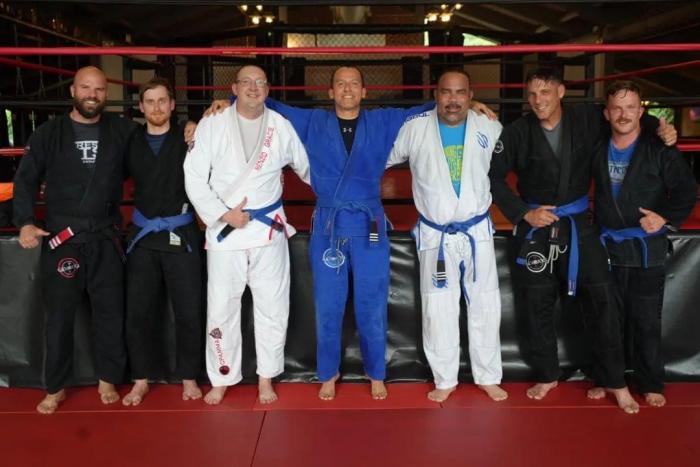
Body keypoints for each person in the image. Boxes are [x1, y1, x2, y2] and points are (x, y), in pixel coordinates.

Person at [207, 66, 493, 400]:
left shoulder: (382, 121)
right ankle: (328, 373)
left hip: (370, 226)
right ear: (330, 93)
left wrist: (468, 104)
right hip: (329, 226)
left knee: (372, 304)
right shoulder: (313, 122)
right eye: (340, 84)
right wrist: (228, 100)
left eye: (354, 84)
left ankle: (376, 373)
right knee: (328, 305)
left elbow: (423, 108)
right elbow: (271, 104)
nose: (347, 89)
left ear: (364, 91)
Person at [488, 67, 676, 414]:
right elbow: (495, 178)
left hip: (578, 224)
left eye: (546, 92)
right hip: (536, 228)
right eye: (532, 94)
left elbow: (625, 117)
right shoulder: (517, 132)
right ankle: (547, 375)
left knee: (603, 300)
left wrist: (659, 128)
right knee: (537, 303)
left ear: (561, 92)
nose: (538, 101)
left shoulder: (586, 118)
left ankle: (615, 381)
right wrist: (523, 213)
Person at [184, 65, 310, 405]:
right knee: (221, 308)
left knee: (273, 307)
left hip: (268, 231)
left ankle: (266, 377)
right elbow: (193, 176)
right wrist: (223, 214)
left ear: (267, 90)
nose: (253, 88)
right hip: (226, 231)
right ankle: (222, 376)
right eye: (246, 82)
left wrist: (343, 191)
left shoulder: (280, 126)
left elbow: (307, 168)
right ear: (234, 88)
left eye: (260, 83)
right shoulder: (212, 125)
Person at [13, 66, 136, 414]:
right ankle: (55, 386)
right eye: (85, 88)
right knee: (60, 317)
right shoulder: (49, 133)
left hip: (105, 236)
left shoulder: (122, 130)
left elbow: (156, 143)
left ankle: (108, 378)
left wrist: (196, 124)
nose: (92, 95)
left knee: (110, 312)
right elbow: (25, 180)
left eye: (98, 89)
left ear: (105, 94)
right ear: (73, 91)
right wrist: (25, 222)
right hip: (63, 238)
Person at [388, 69, 507, 403]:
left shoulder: (489, 127)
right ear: (435, 95)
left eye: (460, 93)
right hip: (435, 233)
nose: (453, 100)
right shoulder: (414, 128)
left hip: (476, 230)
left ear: (470, 96)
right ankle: (444, 378)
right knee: (437, 306)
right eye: (446, 92)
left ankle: (488, 376)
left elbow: (513, 164)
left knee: (486, 303)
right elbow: (378, 158)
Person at [590, 80, 696, 407]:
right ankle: (608, 379)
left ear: (641, 111)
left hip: (646, 247)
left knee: (646, 320)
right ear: (607, 113)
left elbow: (687, 190)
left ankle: (650, 382)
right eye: (617, 108)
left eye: (631, 108)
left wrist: (663, 218)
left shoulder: (659, 148)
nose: (623, 115)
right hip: (607, 247)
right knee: (607, 320)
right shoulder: (597, 144)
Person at [122, 77, 204, 406]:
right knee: (138, 311)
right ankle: (141, 379)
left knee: (188, 310)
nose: (156, 107)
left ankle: (189, 376)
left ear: (172, 104)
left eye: (162, 101)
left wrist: (198, 121)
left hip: (181, 234)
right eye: (150, 101)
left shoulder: (190, 137)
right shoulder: (129, 140)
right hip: (143, 237)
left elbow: (224, 117)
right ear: (141, 107)